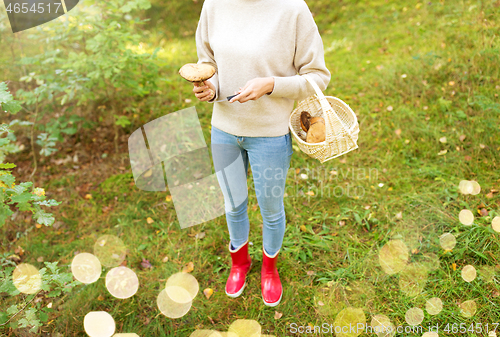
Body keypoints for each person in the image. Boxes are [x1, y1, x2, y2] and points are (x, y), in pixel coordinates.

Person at [192, 0, 330, 307]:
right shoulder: (214, 5)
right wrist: (210, 88)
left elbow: (318, 77)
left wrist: (272, 85)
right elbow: (209, 63)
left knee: (270, 209)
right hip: (224, 130)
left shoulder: (293, 10)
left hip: (269, 134)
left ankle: (269, 270)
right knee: (233, 204)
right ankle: (239, 263)